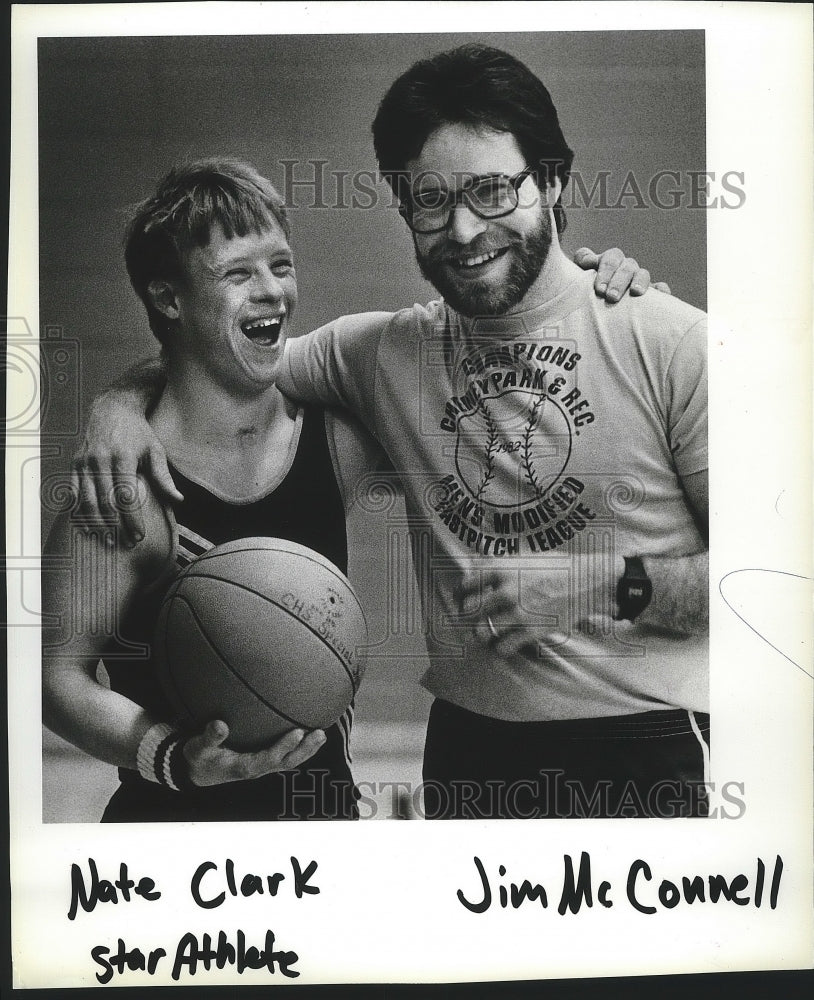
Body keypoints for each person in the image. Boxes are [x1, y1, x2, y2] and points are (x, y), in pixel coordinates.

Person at [69, 47, 693, 820]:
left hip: (647, 745)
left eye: (493, 191)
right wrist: (116, 406)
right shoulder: (381, 354)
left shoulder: (672, 342)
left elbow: (777, 589)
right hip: (468, 752)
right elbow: (217, 359)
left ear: (554, 183)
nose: (465, 228)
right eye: (431, 202)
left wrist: (606, 582)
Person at [42, 159, 385, 821]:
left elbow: (475, 366)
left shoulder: (338, 442)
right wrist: (168, 754)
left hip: (323, 828)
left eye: (281, 266)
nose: (272, 293)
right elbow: (55, 680)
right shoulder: (124, 490)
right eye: (238, 273)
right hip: (174, 844)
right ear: (169, 299)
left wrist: (588, 287)